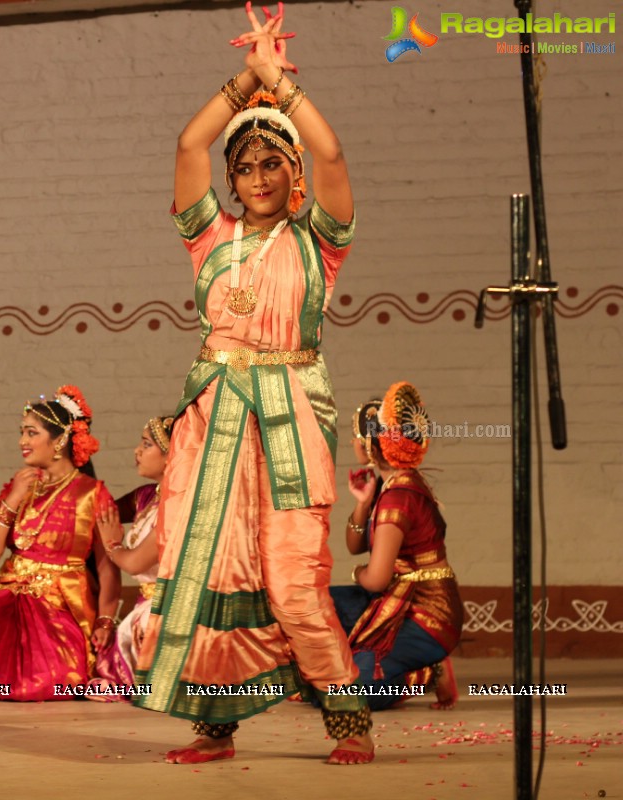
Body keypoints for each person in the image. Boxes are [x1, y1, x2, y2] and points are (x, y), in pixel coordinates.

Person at [132, 3, 374, 765]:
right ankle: (215, 721)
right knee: (206, 563)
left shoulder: (317, 245)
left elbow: (334, 157)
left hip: (291, 418)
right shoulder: (212, 239)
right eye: (247, 165)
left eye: (273, 163)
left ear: (291, 174)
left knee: (292, 576)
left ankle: (348, 716)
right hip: (213, 424)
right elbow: (187, 142)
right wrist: (247, 82)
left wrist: (283, 89)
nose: (258, 176)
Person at [0, 385, 120, 700]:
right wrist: (14, 497)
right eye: (22, 432)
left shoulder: (92, 494)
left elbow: (107, 567)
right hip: (9, 591)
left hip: (60, 602)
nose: (22, 441)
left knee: (47, 674)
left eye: (31, 433)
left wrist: (104, 620)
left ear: (58, 440)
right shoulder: (19, 487)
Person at [330, 382, 463, 711]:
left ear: (374, 443)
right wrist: (362, 503)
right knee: (320, 606)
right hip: (397, 599)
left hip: (426, 615)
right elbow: (354, 544)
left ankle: (426, 674)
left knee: (349, 694)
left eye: (358, 435)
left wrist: (358, 572)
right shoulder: (394, 484)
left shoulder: (398, 498)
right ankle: (389, 665)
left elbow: (375, 579)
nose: (353, 441)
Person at [91, 416, 172, 692]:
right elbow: (102, 512)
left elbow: (135, 561)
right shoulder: (147, 495)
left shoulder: (179, 504)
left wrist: (113, 544)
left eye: (147, 445)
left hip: (169, 608)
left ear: (172, 455)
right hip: (144, 604)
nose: (137, 451)